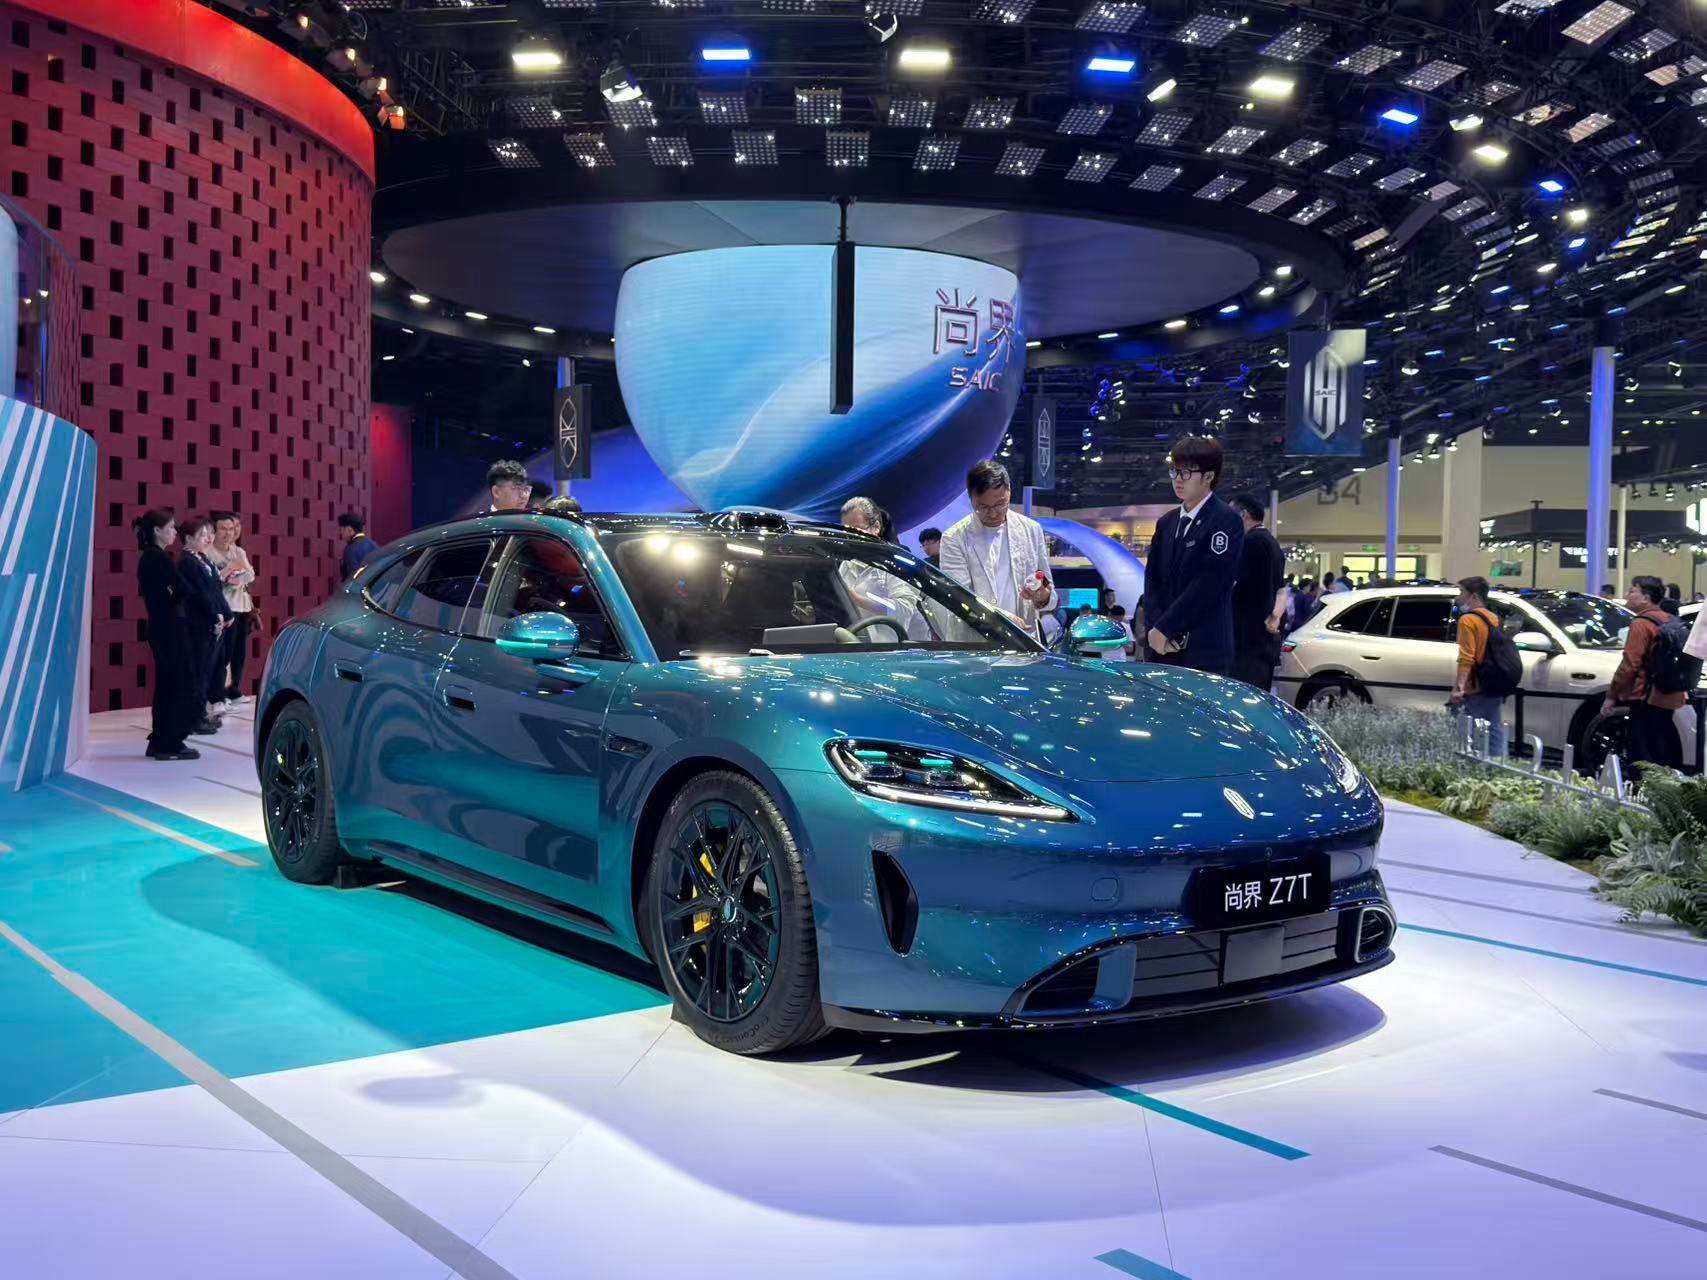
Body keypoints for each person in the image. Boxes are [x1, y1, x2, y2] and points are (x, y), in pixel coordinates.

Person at [1142, 435, 1245, 676]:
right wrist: (1155, 629)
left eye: (1187, 473)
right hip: (1161, 648)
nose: (1178, 479)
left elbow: (1211, 582)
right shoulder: (1166, 523)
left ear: (1208, 476)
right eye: (1175, 471)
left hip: (1203, 651)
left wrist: (1166, 627)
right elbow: (1152, 581)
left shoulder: (1225, 520)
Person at [938, 460, 1054, 638]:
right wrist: (1000, 619)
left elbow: (1048, 589)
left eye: (1000, 504)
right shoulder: (954, 538)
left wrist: (1043, 597)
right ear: (971, 499)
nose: (992, 513)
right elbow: (958, 597)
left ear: (1009, 492)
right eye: (983, 507)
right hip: (975, 641)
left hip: (1025, 640)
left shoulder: (1031, 530)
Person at [133, 510, 200, 761]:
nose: (174, 532)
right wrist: (174, 600)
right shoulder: (159, 558)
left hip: (160, 627)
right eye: (170, 528)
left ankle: (160, 740)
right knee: (182, 683)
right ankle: (170, 742)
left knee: (166, 685)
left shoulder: (148, 558)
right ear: (157, 531)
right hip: (171, 628)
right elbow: (184, 589)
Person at [1608, 575, 1688, 776]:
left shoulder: (1641, 623)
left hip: (1645, 697)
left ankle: (1641, 792)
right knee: (1659, 751)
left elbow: (1630, 665)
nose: (1627, 594)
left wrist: (1611, 696)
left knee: (1642, 756)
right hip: (1669, 695)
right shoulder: (1669, 619)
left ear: (1645, 598)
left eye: (1632, 590)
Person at [177, 516, 232, 734]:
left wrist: (226, 614)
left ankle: (200, 714)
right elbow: (199, 595)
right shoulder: (187, 562)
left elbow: (215, 591)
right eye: (202, 535)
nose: (208, 538)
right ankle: (193, 719)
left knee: (207, 672)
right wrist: (215, 616)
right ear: (188, 538)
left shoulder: (202, 558)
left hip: (212, 624)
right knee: (198, 673)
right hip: (198, 625)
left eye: (209, 533)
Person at [839, 496, 923, 635]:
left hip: (896, 643)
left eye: (856, 530)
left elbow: (903, 610)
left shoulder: (895, 562)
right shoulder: (847, 565)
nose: (851, 537)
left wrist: (856, 599)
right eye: (846, 532)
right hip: (858, 641)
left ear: (876, 527)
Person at [1228, 493, 1288, 690]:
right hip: (1264, 640)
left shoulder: (1251, 542)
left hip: (1248, 638)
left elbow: (1237, 585)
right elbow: (1280, 589)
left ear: (1243, 514)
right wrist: (1275, 616)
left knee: (1243, 695)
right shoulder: (1272, 543)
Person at [1449, 576, 1511, 759]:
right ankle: (1499, 765)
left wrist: (1459, 687)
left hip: (1474, 685)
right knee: (1494, 727)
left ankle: (1466, 765)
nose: (1458, 597)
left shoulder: (1468, 620)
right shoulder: (1494, 618)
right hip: (1493, 681)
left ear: (1474, 596)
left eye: (1462, 592)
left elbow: (1467, 656)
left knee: (1463, 730)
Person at [204, 511, 256, 705]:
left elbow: (250, 575)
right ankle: (217, 693)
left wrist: (234, 577)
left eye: (231, 529)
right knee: (222, 653)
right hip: (223, 608)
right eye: (223, 529)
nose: (228, 533)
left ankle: (233, 689)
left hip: (242, 607)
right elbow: (212, 580)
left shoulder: (238, 551)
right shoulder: (208, 552)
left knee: (238, 651)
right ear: (214, 530)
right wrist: (229, 573)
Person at [337, 512, 379, 582]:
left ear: (349, 529)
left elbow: (353, 578)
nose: (340, 533)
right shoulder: (373, 544)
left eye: (341, 530)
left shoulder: (351, 549)